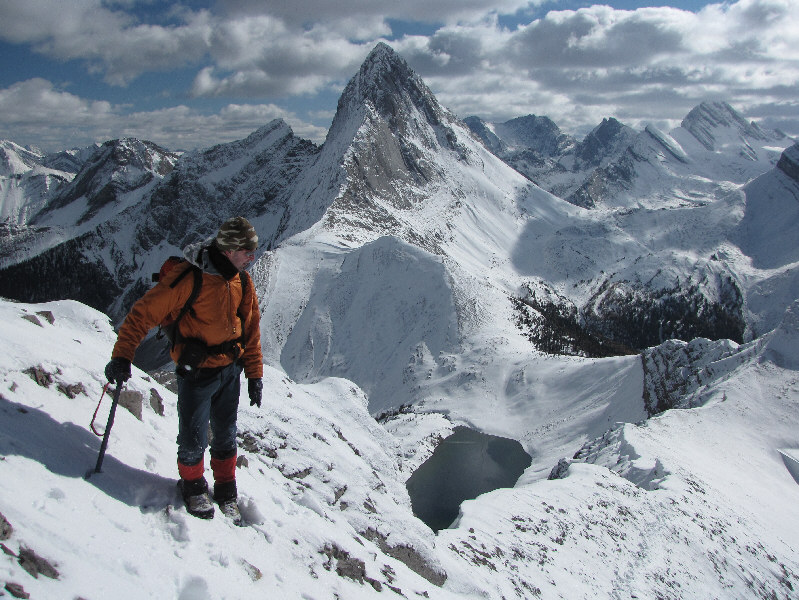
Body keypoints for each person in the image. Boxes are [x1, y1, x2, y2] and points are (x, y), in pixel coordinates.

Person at [104, 216, 263, 524]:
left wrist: (254, 374)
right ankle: (193, 487)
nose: (252, 256)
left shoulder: (241, 281)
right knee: (192, 438)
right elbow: (142, 314)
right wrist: (123, 356)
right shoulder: (189, 279)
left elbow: (251, 330)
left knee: (226, 436)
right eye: (247, 250)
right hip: (197, 373)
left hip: (229, 370)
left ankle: (226, 490)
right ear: (229, 249)